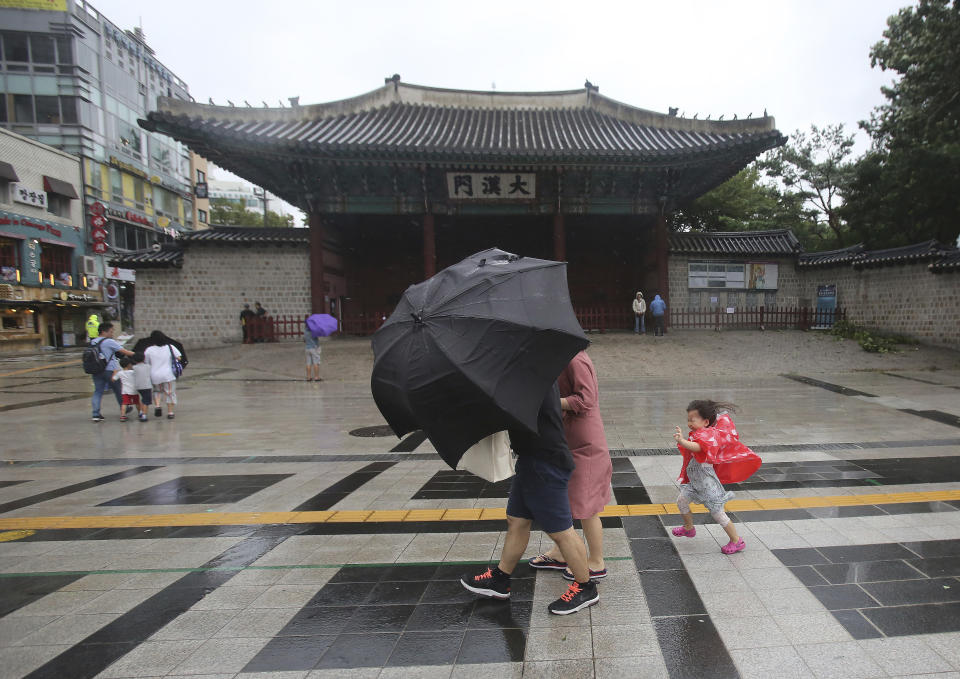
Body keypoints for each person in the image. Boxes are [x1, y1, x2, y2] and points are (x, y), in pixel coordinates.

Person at [460, 383, 600, 615]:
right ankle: (500, 580)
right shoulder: (523, 375)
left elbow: (510, 413)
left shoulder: (531, 379)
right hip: (529, 459)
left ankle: (586, 588)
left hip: (545, 463)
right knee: (517, 520)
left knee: (560, 531)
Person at [529, 351, 612, 582]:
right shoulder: (554, 358)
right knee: (562, 501)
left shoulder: (575, 359)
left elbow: (586, 400)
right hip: (566, 440)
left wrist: (549, 401)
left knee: (588, 507)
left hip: (586, 445)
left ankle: (596, 561)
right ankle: (560, 553)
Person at [672, 400, 761, 555]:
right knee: (681, 501)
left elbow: (698, 448)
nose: (689, 423)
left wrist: (682, 441)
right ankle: (688, 528)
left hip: (708, 485)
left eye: (692, 420)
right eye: (688, 420)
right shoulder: (698, 433)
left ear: (706, 422)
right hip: (695, 483)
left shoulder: (709, 435)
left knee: (717, 513)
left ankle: (736, 540)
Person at [90, 322, 134, 422]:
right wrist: (139, 354)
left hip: (96, 370)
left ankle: (95, 414)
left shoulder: (93, 342)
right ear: (104, 332)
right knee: (118, 390)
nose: (112, 333)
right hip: (110, 370)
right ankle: (124, 409)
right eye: (111, 331)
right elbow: (125, 352)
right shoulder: (109, 341)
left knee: (98, 391)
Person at [144, 330, 182, 420]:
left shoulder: (149, 350)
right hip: (168, 375)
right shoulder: (170, 347)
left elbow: (146, 362)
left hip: (155, 375)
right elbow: (179, 357)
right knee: (170, 393)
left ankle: (157, 406)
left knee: (157, 391)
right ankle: (170, 412)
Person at [111, 357, 138, 422]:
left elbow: (113, 379)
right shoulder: (133, 372)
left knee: (124, 403)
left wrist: (115, 372)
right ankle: (140, 413)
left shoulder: (120, 373)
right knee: (137, 403)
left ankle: (123, 416)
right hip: (134, 390)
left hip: (125, 391)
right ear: (129, 364)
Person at [132, 352, 152, 422]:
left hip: (137, 386)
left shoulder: (134, 368)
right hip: (147, 386)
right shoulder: (148, 366)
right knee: (146, 401)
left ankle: (140, 411)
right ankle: (144, 415)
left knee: (140, 399)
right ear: (144, 358)